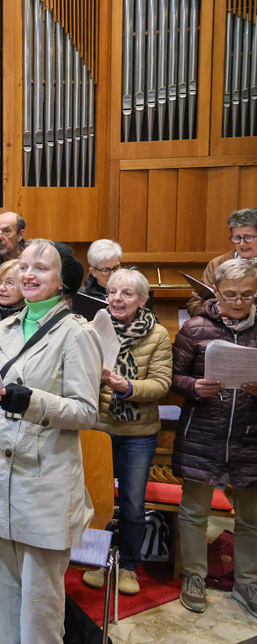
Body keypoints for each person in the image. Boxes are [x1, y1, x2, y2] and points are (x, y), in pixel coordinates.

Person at [0, 239, 102, 644]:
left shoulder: (77, 333)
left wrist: (33, 402)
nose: (28, 274)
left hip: (43, 482)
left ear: (62, 281)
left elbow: (87, 411)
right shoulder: (5, 327)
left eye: (41, 268)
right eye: (24, 266)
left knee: (39, 603)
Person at [171, 258, 257, 618]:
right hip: (203, 430)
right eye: (231, 294)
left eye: (248, 295)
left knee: (251, 517)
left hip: (250, 434)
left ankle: (247, 582)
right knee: (195, 512)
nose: (239, 302)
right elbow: (174, 378)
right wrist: (195, 386)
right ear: (216, 292)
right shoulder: (195, 328)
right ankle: (194, 576)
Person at [81, 269, 171, 597]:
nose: (117, 299)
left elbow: (161, 383)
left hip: (137, 433)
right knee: (96, 499)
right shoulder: (92, 328)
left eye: (127, 293)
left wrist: (126, 386)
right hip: (99, 428)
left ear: (142, 300)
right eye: (112, 292)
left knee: (132, 504)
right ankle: (95, 559)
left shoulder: (157, 334)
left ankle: (129, 565)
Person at [188, 208, 257, 316]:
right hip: (220, 324)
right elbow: (194, 304)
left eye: (248, 237)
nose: (242, 244)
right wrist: (219, 310)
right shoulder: (217, 264)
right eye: (237, 238)